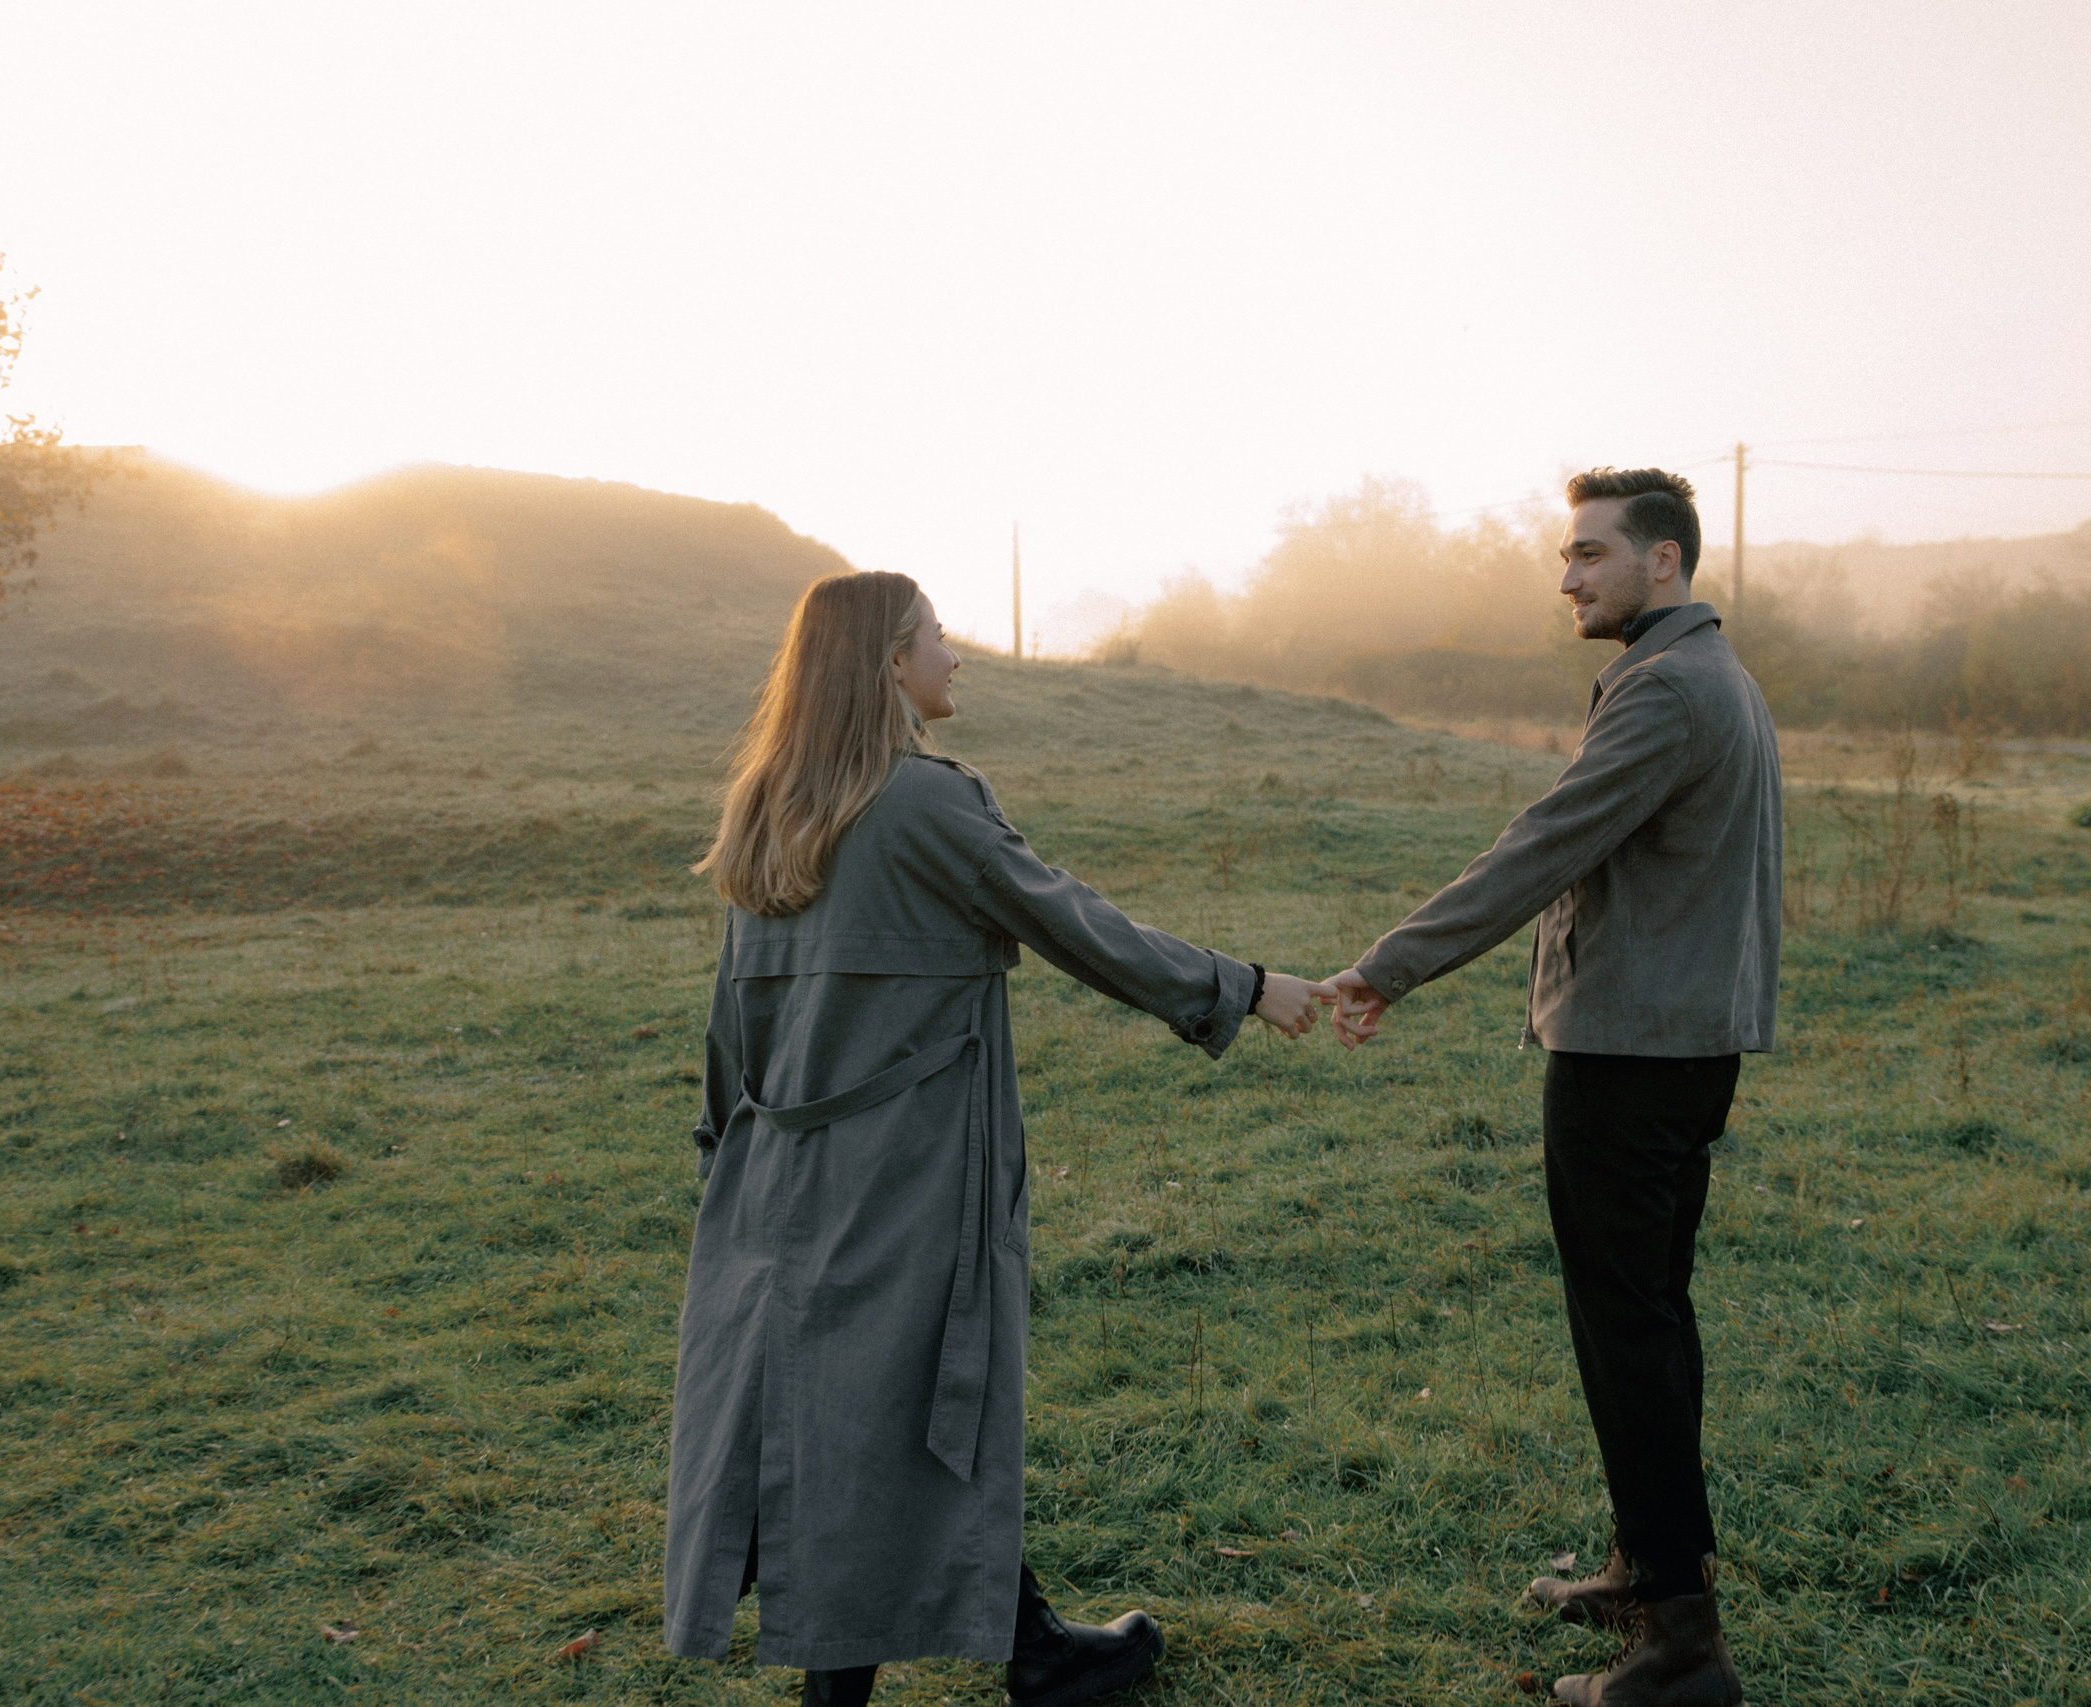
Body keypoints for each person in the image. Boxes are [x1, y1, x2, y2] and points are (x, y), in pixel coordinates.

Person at [665, 569, 1329, 1707]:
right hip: (905, 1175)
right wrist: (1247, 988)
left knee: (875, 1403)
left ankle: (1033, 1645)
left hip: (774, 1176)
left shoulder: (768, 803)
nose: (955, 654)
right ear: (890, 661)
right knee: (890, 1408)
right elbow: (1074, 922)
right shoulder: (922, 804)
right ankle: (906, 1680)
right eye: (937, 635)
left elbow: (733, 1014)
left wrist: (722, 1153)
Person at [1323, 468, 1779, 1707]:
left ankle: (1680, 1648)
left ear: (1663, 561)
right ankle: (1647, 1568)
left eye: (1588, 553)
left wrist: (1388, 966)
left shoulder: (1666, 691)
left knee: (1626, 1332)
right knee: (1647, 1318)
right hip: (1681, 1046)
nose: (1565, 577)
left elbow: (1543, 842)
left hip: (1631, 1057)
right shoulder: (1711, 674)